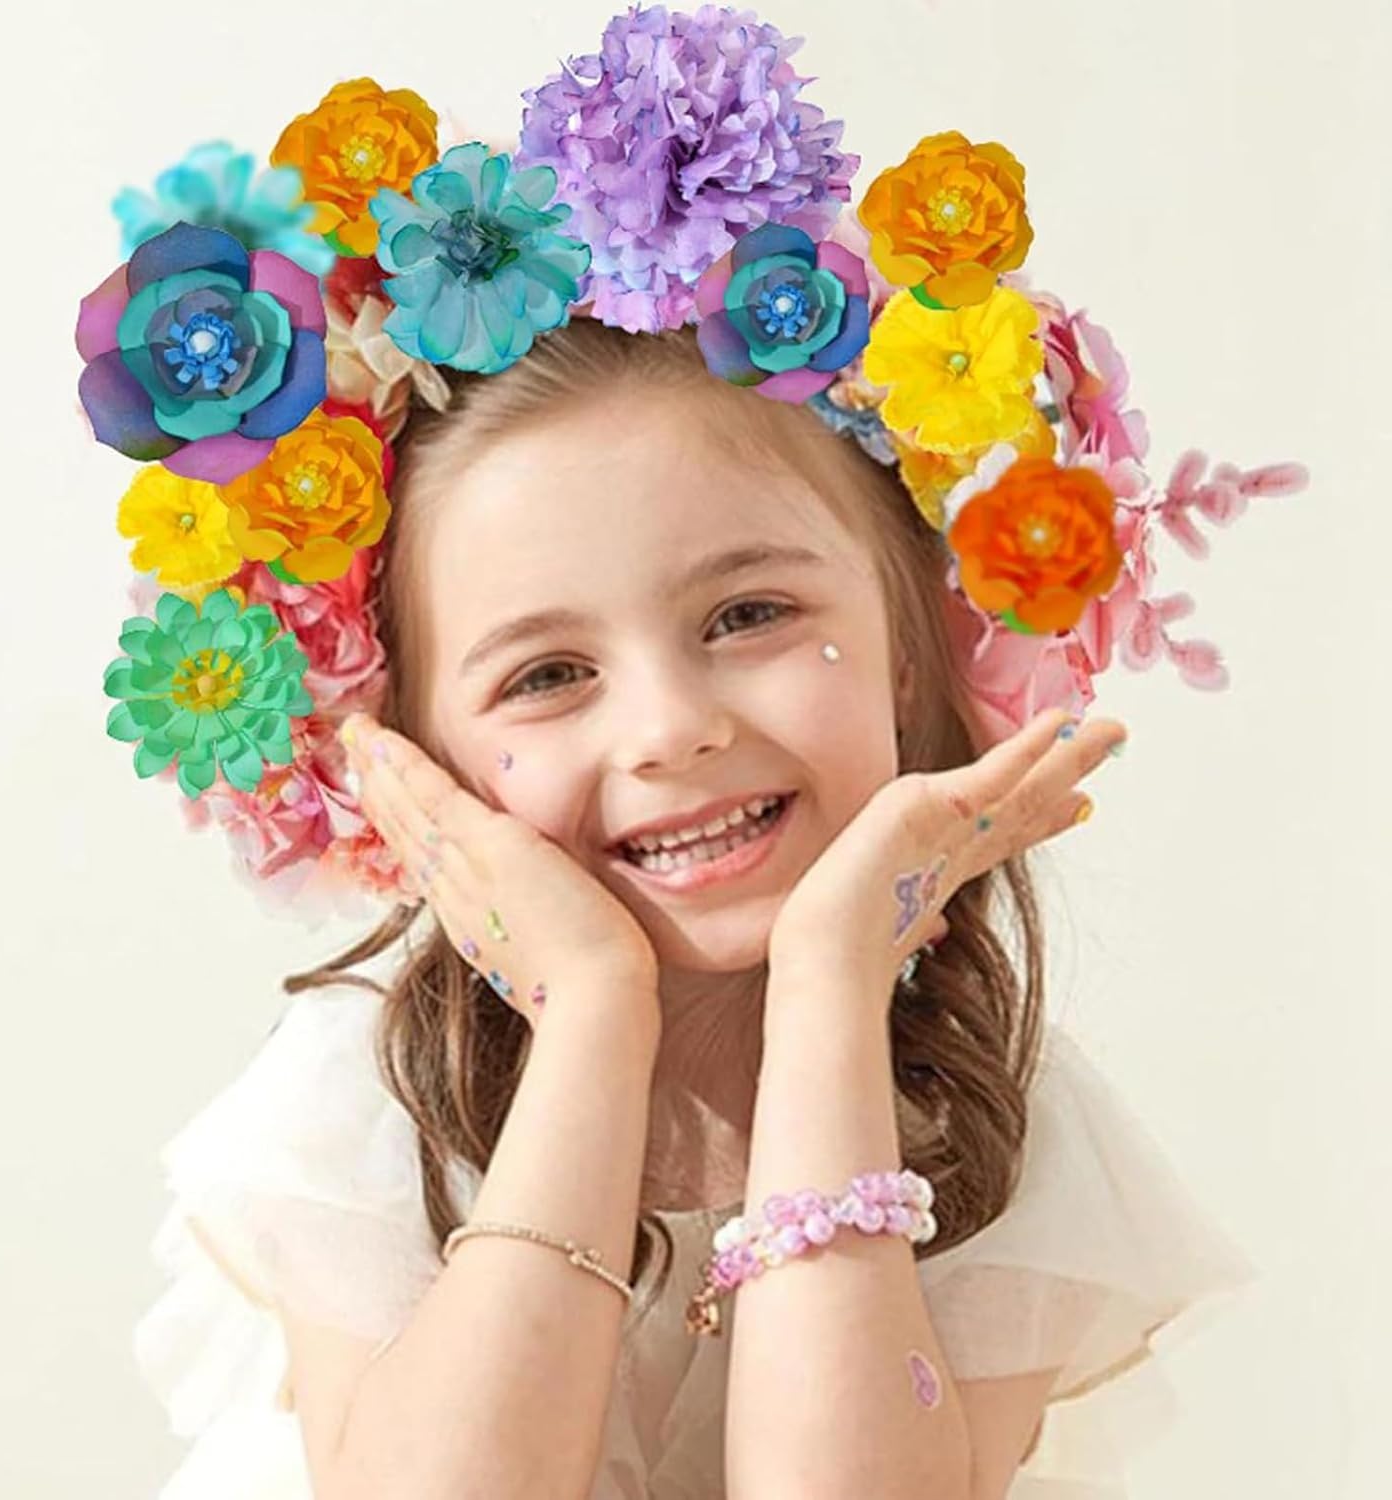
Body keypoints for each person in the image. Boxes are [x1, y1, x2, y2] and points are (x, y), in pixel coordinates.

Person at [85, 10, 1307, 1498]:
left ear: (913, 641)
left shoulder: (990, 1120)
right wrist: (593, 1017)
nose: (672, 728)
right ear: (415, 759)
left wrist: (831, 999)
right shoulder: (371, 1097)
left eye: (749, 613)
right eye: (548, 675)